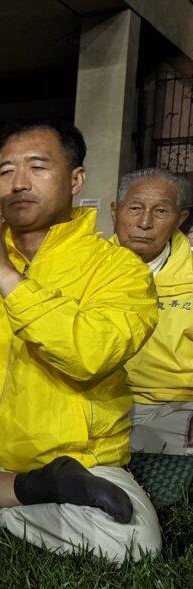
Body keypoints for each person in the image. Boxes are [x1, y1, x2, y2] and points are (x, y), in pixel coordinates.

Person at [0, 119, 161, 564]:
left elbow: (91, 355)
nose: (18, 184)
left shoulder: (118, 268)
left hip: (76, 459)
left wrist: (8, 279)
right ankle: (20, 493)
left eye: (37, 167)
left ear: (76, 179)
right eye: (6, 170)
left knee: (132, 543)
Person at [111, 168, 193, 455]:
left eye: (160, 211)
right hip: (98, 400)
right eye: (134, 208)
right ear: (115, 211)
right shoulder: (86, 266)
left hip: (173, 407)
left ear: (180, 220)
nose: (144, 223)